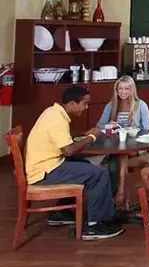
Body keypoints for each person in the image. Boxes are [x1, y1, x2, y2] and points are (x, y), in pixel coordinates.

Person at [25, 86, 123, 240]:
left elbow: (63, 139)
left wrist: (83, 135)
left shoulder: (54, 113)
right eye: (84, 103)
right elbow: (68, 150)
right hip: (45, 171)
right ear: (72, 103)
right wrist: (91, 137)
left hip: (46, 165)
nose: (86, 107)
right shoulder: (56, 119)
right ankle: (94, 225)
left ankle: (60, 212)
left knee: (86, 165)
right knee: (99, 173)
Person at [97, 75, 149, 205]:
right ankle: (117, 196)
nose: (123, 92)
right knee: (116, 159)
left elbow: (147, 129)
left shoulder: (141, 105)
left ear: (132, 90)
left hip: (137, 147)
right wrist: (109, 125)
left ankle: (118, 193)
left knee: (116, 159)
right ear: (116, 90)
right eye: (120, 89)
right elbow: (99, 126)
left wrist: (134, 132)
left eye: (127, 89)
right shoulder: (111, 106)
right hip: (116, 147)